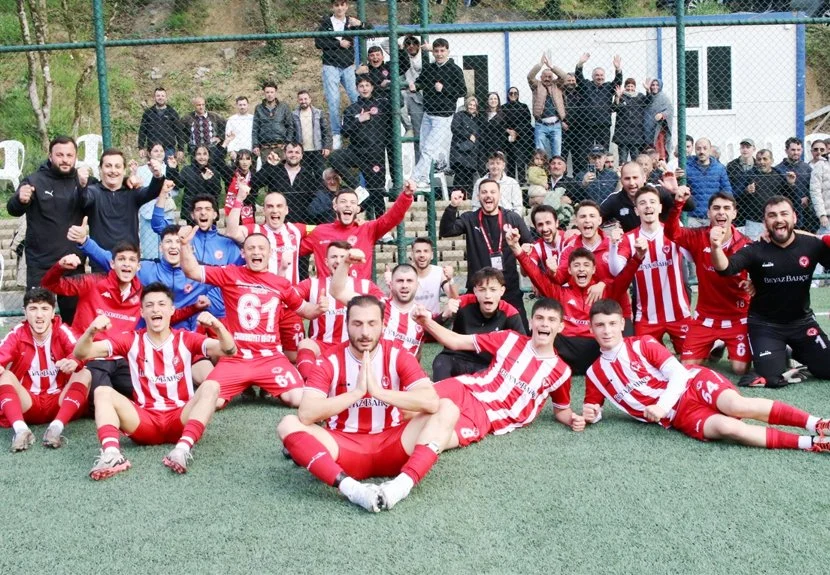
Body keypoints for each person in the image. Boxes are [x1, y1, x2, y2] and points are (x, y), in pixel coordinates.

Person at [278, 295, 459, 512]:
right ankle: (353, 490)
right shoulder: (329, 360)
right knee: (288, 424)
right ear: (346, 325)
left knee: (447, 408)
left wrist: (379, 392)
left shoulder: (398, 354)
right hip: (344, 448)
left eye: (372, 323)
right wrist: (356, 393)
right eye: (357, 324)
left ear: (383, 324)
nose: (365, 332)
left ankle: (400, 486)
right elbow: (306, 413)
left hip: (394, 444)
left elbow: (430, 401)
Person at [583, 298, 830, 453]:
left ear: (621, 324)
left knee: (736, 405)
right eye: (600, 325)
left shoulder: (643, 344)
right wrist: (593, 414)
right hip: (680, 414)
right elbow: (594, 407)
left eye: (612, 324)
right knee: (728, 428)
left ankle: (817, 424)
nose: (607, 331)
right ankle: (812, 443)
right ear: (591, 327)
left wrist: (660, 406)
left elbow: (678, 374)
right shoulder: (594, 373)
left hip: (693, 382)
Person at [73, 283, 236, 479]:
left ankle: (182, 449)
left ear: (172, 310)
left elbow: (229, 350)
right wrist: (91, 331)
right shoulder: (130, 339)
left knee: (212, 386)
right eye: (149, 305)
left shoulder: (186, 338)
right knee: (101, 392)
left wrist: (217, 327)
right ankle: (112, 455)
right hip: (145, 421)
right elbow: (81, 353)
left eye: (161, 304)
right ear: (142, 312)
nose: (155, 309)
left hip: (179, 418)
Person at [414, 298, 584, 450]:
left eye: (551, 320)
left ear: (560, 326)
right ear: (531, 323)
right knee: (412, 404)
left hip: (489, 415)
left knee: (433, 436)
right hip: (465, 387)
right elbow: (456, 341)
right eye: (539, 318)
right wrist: (426, 322)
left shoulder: (561, 371)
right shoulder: (509, 338)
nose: (545, 324)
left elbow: (561, 410)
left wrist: (572, 419)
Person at [179, 229, 323, 408]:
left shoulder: (281, 283)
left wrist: (319, 308)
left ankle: (270, 383)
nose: (256, 252)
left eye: (261, 248)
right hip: (236, 357)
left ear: (270, 253)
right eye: (251, 248)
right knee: (211, 402)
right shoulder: (229, 273)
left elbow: (305, 311)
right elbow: (192, 271)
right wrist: (184, 246)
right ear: (243, 252)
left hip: (270, 357)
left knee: (298, 399)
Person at [712, 195, 830, 388]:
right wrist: (716, 247)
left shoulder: (811, 245)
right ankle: (782, 352)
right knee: (770, 377)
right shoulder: (755, 249)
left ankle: (797, 351)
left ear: (794, 217)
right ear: (765, 222)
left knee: (827, 368)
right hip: (765, 326)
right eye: (772, 216)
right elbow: (725, 268)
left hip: (802, 322)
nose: (779, 219)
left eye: (784, 214)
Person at [509, 226, 641, 374]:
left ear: (593, 270)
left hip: (596, 349)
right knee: (542, 329)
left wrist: (638, 257)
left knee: (615, 336)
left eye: (586, 265)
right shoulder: (560, 292)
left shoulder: (605, 292)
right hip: (567, 349)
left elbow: (624, 278)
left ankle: (612, 368)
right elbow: (537, 276)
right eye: (576, 265)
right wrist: (516, 249)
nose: (581, 269)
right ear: (570, 270)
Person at [72, 219, 220, 331]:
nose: (174, 246)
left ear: (189, 247)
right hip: (146, 331)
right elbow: (109, 260)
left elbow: (229, 275)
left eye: (178, 241)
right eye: (168, 242)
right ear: (160, 247)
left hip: (184, 332)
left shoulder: (199, 273)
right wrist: (85, 241)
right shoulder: (145, 269)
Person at [664, 184, 751, 375]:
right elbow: (671, 233)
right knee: (688, 367)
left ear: (735, 214)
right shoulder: (698, 236)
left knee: (740, 369)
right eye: (716, 208)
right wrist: (678, 203)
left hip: (737, 317)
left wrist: (754, 282)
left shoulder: (746, 243)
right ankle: (716, 344)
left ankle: (723, 344)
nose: (721, 212)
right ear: (709, 212)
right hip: (705, 318)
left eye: (727, 208)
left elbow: (762, 270)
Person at [6, 136, 88, 323]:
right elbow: (13, 209)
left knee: (74, 321)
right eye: (60, 155)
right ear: (50, 156)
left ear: (76, 157)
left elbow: (99, 200)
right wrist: (20, 198)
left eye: (70, 155)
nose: (65, 159)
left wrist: (128, 182)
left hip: (72, 264)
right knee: (38, 318)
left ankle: (70, 353)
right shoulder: (34, 180)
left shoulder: (82, 180)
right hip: (40, 265)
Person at [0, 288, 91, 451]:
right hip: (28, 403)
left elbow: (81, 351)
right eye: (33, 309)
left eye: (44, 309)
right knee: (4, 375)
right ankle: (21, 430)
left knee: (84, 373)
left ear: (52, 312)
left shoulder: (62, 330)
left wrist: (74, 360)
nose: (39, 315)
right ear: (25, 312)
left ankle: (56, 428)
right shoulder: (16, 334)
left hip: (58, 402)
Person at [440, 180, 533, 329]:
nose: (488, 195)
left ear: (499, 195)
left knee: (522, 333)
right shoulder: (470, 218)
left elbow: (530, 244)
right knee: (463, 332)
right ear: (478, 196)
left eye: (492, 192)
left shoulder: (513, 218)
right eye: (484, 192)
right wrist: (452, 206)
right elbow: (446, 230)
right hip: (478, 287)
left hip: (507, 287)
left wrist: (526, 248)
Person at [608, 185, 692, 353]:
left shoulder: (673, 232)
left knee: (692, 360)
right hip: (647, 317)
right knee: (645, 359)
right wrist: (613, 245)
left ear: (660, 207)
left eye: (653, 202)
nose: (648, 206)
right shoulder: (629, 238)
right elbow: (616, 270)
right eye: (643, 203)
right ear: (637, 210)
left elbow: (691, 257)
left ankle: (714, 345)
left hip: (679, 314)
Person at [301, 181, 415, 281]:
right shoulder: (319, 232)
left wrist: (406, 196)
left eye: (352, 203)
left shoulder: (367, 229)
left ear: (357, 208)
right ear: (335, 206)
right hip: (328, 299)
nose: (348, 205)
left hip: (359, 300)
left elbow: (391, 218)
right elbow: (293, 248)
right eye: (343, 202)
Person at [331, 250, 435, 357]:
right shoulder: (377, 304)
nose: (404, 285)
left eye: (409, 281)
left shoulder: (425, 315)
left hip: (404, 371)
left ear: (417, 285)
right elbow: (337, 292)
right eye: (400, 281)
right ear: (391, 284)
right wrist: (345, 262)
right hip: (375, 368)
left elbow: (419, 351)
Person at [431, 267, 525, 380]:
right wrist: (444, 315)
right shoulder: (463, 302)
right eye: (482, 289)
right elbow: (429, 334)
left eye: (493, 289)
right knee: (440, 363)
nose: (487, 295)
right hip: (456, 357)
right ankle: (440, 396)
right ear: (475, 291)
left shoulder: (510, 313)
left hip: (488, 364)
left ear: (502, 291)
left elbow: (523, 349)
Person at [329, 76, 390, 220]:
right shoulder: (351, 109)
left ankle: (382, 227)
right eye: (361, 86)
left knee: (377, 191)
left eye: (367, 85)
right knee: (334, 157)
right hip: (355, 151)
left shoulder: (381, 105)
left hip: (375, 154)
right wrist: (358, 120)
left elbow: (398, 103)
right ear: (357, 88)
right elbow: (345, 132)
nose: (364, 88)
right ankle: (358, 189)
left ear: (372, 87)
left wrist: (387, 85)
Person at [82, 151, 165, 255]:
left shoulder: (132, 191)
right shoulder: (93, 192)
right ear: (100, 169)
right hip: (100, 260)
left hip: (128, 260)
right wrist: (81, 183)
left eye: (117, 166)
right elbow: (82, 198)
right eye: (108, 166)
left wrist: (157, 176)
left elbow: (151, 192)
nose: (113, 170)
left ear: (124, 170)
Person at [412, 38, 467, 186]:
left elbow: (462, 91)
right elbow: (420, 82)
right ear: (433, 52)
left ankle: (415, 179)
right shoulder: (429, 68)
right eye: (436, 51)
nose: (439, 54)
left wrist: (444, 89)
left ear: (448, 51)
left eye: (442, 51)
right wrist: (414, 86)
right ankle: (424, 179)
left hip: (443, 116)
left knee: (429, 148)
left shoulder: (455, 70)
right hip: (428, 113)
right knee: (424, 147)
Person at [315, 0, 369, 149]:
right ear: (333, 7)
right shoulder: (326, 23)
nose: (339, 8)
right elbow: (318, 42)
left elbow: (370, 31)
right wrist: (338, 44)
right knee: (334, 100)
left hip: (348, 66)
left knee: (356, 96)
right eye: (336, 5)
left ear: (346, 6)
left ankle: (359, 125)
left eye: (342, 5)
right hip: (331, 66)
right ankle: (336, 133)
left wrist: (361, 24)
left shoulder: (350, 21)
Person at [600, 162, 694, 231]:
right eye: (627, 178)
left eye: (635, 177)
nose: (632, 183)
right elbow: (596, 218)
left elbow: (690, 207)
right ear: (621, 180)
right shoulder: (615, 200)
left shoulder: (658, 191)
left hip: (664, 247)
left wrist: (675, 192)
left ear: (644, 177)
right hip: (634, 249)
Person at [252, 142, 319, 224]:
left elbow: (313, 199)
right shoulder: (274, 170)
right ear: (284, 153)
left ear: (301, 156)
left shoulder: (308, 176)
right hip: (276, 222)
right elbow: (255, 182)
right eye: (290, 152)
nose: (293, 155)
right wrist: (268, 165)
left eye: (297, 152)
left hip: (300, 224)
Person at [166, 144, 228, 225]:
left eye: (205, 154)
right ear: (194, 156)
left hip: (208, 211)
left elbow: (217, 191)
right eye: (199, 154)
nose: (202, 157)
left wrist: (207, 181)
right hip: (191, 209)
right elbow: (179, 184)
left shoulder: (213, 171)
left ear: (209, 156)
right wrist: (173, 169)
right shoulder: (187, 169)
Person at [741, 149, 796, 240]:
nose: (761, 162)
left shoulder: (780, 176)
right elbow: (737, 195)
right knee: (753, 246)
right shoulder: (748, 176)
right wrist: (746, 191)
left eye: (765, 159)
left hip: (774, 220)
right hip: (754, 220)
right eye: (759, 159)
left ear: (771, 161)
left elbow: (790, 197)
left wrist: (791, 184)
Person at [574, 53, 622, 156]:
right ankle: (587, 171)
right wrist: (580, 64)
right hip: (587, 125)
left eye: (601, 75)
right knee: (585, 153)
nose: (599, 77)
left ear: (604, 76)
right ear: (592, 76)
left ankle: (601, 171)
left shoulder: (608, 87)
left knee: (603, 153)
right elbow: (579, 77)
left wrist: (617, 69)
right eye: (597, 75)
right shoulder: (586, 85)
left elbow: (618, 82)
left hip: (603, 125)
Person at [526, 53, 568, 159]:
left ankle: (555, 173)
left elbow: (564, 76)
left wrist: (551, 67)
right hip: (541, 125)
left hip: (556, 125)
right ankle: (542, 173)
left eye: (550, 77)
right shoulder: (536, 86)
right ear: (541, 77)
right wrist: (540, 65)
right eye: (545, 76)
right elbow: (530, 76)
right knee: (540, 154)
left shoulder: (557, 85)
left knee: (557, 153)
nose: (548, 78)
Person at [684, 137, 732, 227]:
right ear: (695, 150)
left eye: (705, 148)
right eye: (698, 149)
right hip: (692, 217)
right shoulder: (687, 168)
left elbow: (727, 192)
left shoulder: (719, 168)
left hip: (713, 217)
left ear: (710, 150)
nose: (702, 151)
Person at [408, 237, 458, 315]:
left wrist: (450, 280)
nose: (422, 255)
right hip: (411, 321)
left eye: (426, 251)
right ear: (412, 254)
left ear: (432, 255)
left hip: (433, 321)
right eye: (418, 251)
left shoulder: (439, 272)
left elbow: (454, 299)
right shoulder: (405, 274)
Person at [293, 90, 332, 181]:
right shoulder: (294, 115)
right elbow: (292, 133)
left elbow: (326, 131)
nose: (303, 101)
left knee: (320, 173)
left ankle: (322, 193)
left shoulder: (319, 113)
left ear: (310, 99)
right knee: (304, 175)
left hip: (317, 149)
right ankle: (308, 194)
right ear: (298, 101)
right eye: (301, 99)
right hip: (302, 151)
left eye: (305, 99)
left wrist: (327, 146)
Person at [775, 137, 814, 229]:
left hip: (806, 213)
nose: (796, 152)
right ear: (786, 150)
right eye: (793, 150)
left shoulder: (807, 168)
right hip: (786, 210)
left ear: (802, 150)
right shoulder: (778, 169)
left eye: (798, 150)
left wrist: (807, 197)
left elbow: (813, 187)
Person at [137, 87, 185, 159]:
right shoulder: (148, 113)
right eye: (158, 96)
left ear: (166, 98)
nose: (160, 98)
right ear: (154, 97)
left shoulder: (172, 113)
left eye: (162, 96)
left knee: (170, 169)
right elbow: (142, 131)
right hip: (152, 150)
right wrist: (141, 147)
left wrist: (181, 149)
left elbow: (179, 132)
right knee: (153, 169)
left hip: (168, 149)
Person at [251, 82, 294, 161]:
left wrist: (288, 142)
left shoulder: (283, 107)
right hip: (265, 148)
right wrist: (255, 145)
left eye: (272, 92)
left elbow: (290, 126)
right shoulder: (259, 108)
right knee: (266, 171)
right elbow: (255, 128)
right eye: (267, 92)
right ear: (264, 93)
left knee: (282, 171)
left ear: (275, 93)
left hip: (281, 147)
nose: (269, 94)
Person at [449, 96, 481, 194]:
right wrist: (468, 135)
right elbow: (454, 128)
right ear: (466, 105)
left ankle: (467, 197)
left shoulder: (478, 119)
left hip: (471, 151)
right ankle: (457, 196)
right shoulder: (459, 115)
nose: (472, 107)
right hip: (460, 150)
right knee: (460, 174)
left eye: (474, 105)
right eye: (470, 105)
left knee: (469, 175)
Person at [401, 35, 425, 158]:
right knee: (399, 97)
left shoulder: (425, 56)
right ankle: (408, 127)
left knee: (420, 134)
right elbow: (385, 44)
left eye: (414, 43)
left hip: (420, 97)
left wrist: (429, 49)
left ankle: (421, 165)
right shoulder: (403, 56)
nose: (411, 46)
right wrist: (402, 36)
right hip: (408, 93)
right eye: (408, 43)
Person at [502, 86, 533, 182]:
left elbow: (527, 121)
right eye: (511, 93)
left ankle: (522, 182)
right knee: (510, 162)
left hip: (522, 139)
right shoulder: (503, 108)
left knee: (521, 162)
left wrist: (516, 132)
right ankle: (510, 183)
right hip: (508, 139)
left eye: (515, 93)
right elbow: (501, 123)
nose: (513, 95)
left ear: (518, 95)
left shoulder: (523, 107)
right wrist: (509, 131)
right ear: (508, 95)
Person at [612, 79, 646, 163]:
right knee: (622, 160)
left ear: (635, 87)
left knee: (636, 161)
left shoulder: (640, 96)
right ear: (625, 87)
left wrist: (648, 90)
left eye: (632, 86)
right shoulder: (621, 96)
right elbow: (614, 108)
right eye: (628, 86)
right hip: (622, 135)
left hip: (636, 134)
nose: (630, 88)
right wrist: (617, 97)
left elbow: (649, 101)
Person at [220, 148, 257, 225]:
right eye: (241, 159)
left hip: (248, 210)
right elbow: (218, 162)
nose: (244, 162)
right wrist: (225, 144)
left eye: (247, 159)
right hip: (233, 210)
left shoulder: (254, 176)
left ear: (251, 162)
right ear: (237, 161)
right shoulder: (230, 174)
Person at [642, 78, 673, 162]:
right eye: (653, 85)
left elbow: (669, 110)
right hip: (648, 129)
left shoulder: (663, 98)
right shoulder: (648, 98)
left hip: (659, 129)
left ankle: (661, 163)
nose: (655, 87)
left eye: (657, 85)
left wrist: (662, 115)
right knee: (648, 150)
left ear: (660, 86)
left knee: (659, 148)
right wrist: (647, 90)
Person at [479, 92, 508, 170]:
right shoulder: (482, 115)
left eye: (495, 98)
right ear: (487, 101)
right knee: (484, 169)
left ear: (498, 101)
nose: (493, 100)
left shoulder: (503, 115)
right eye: (491, 99)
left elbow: (503, 134)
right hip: (484, 146)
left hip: (497, 146)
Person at [726, 138, 756, 208]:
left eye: (748, 147)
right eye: (742, 147)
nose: (745, 150)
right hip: (737, 204)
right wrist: (744, 191)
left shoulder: (758, 165)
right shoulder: (732, 165)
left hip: (754, 206)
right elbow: (728, 186)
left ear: (754, 149)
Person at [808, 139, 830, 230]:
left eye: (822, 149)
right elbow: (815, 191)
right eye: (816, 149)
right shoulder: (820, 165)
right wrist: (822, 214)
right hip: (828, 215)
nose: (819, 152)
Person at [225, 96, 254, 160]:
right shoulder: (231, 119)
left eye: (244, 104)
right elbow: (228, 136)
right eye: (240, 105)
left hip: (251, 150)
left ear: (248, 105)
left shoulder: (253, 119)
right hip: (236, 151)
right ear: (237, 106)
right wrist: (231, 151)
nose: (242, 107)